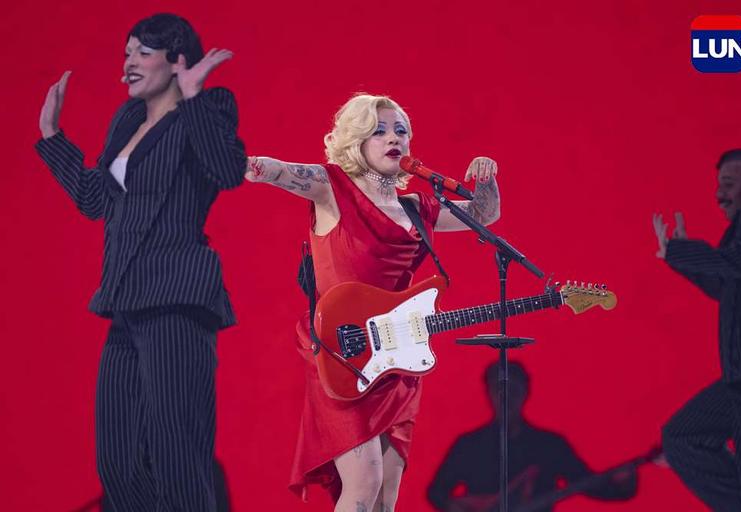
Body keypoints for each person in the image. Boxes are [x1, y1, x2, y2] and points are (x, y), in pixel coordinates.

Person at [245, 93, 501, 511]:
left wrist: (486, 177)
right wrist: (242, 162)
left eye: (401, 130)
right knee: (363, 484)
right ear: (356, 141)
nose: (393, 138)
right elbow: (274, 170)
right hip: (341, 351)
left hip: (397, 356)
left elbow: (484, 215)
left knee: (385, 496)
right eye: (379, 131)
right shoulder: (332, 188)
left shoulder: (417, 209)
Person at [35, 13, 245, 511]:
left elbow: (228, 171)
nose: (128, 62)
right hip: (125, 300)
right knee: (119, 464)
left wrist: (192, 97)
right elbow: (96, 199)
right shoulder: (128, 119)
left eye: (142, 53)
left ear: (176, 61)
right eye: (126, 52)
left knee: (178, 458)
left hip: (176, 298)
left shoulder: (209, 107)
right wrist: (51, 135)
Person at [653, 148, 741, 511]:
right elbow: (729, 287)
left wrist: (684, 252)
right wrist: (680, 259)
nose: (720, 194)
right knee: (684, 437)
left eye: (730, 184)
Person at [427, 361, 637, 512]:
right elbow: (436, 493)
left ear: (525, 392)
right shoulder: (468, 445)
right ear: (489, 392)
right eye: (499, 389)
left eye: (513, 389)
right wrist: (463, 506)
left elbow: (585, 483)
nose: (506, 397)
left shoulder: (549, 446)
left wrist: (623, 485)